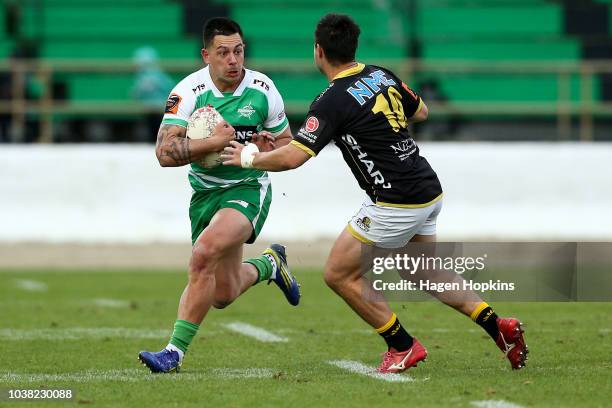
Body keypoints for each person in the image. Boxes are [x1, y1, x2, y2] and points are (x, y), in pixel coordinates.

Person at [221, 13, 528, 373]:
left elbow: (293, 158)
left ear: (318, 51)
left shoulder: (330, 101)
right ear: (353, 47)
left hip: (395, 199)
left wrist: (249, 157)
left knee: (338, 273)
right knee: (424, 271)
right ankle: (498, 327)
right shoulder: (381, 74)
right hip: (426, 187)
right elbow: (422, 111)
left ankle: (402, 345)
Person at [138, 17, 301, 373]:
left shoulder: (263, 89)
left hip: (247, 188)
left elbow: (289, 146)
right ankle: (269, 264)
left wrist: (262, 152)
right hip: (205, 194)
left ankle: (173, 353)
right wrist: (213, 142)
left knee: (203, 255)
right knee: (223, 294)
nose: (233, 60)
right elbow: (165, 154)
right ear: (206, 55)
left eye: (239, 51)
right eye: (223, 52)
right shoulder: (187, 93)